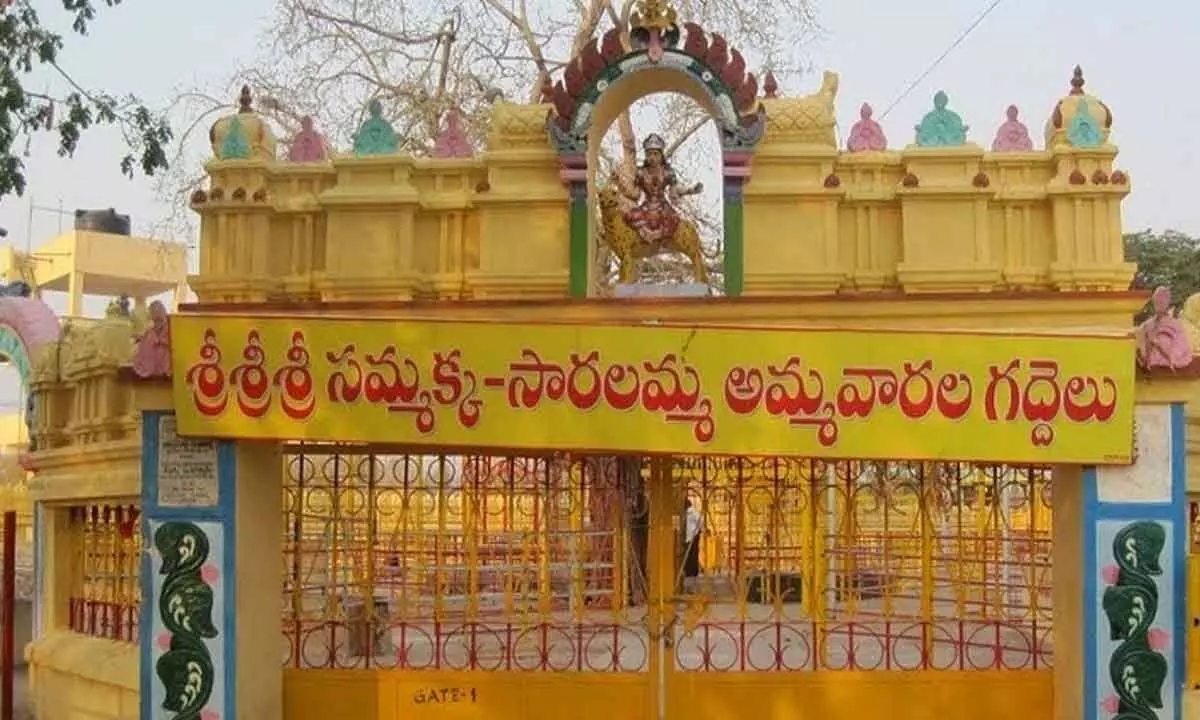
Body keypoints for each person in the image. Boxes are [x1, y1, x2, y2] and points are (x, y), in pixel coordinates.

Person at [621, 133, 703, 245]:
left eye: (655, 154)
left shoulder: (668, 172)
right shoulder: (640, 172)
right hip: (646, 207)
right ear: (646, 155)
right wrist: (620, 184)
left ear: (661, 155)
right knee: (629, 216)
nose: (652, 157)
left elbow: (674, 192)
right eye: (649, 154)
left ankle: (656, 236)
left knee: (674, 219)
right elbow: (635, 194)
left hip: (662, 206)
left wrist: (690, 190)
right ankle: (645, 234)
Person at [683, 498, 703, 579]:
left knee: (692, 554)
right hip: (690, 536)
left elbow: (700, 521)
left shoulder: (692, 512)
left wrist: (697, 531)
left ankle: (692, 572)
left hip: (692, 536)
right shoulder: (689, 512)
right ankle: (690, 571)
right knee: (691, 555)